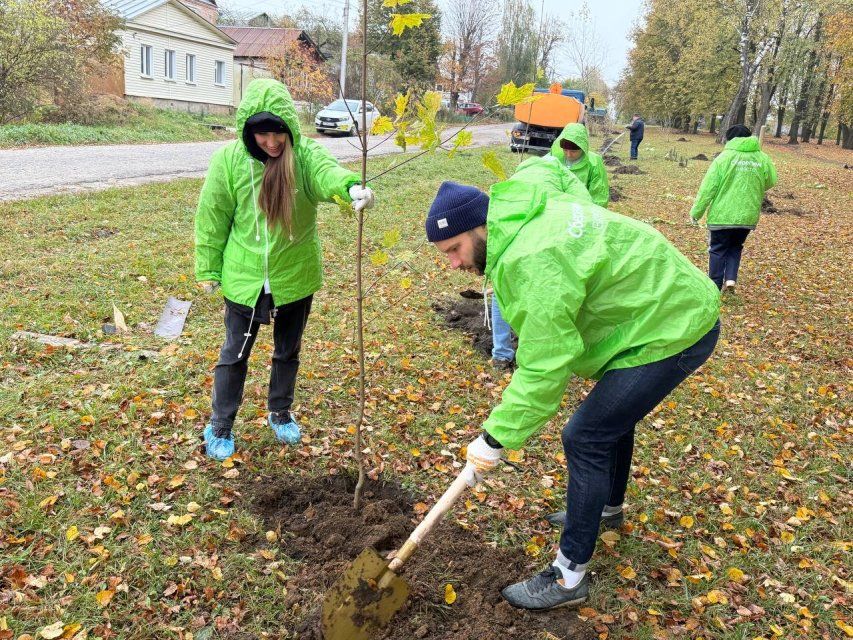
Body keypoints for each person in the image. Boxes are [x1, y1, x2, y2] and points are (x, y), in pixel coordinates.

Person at [424, 160, 720, 611]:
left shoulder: (531, 260)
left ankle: (567, 578)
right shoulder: (523, 205)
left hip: (673, 325)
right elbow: (554, 170)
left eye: (455, 248)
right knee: (610, 422)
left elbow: (544, 364)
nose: (454, 263)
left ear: (481, 227)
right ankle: (607, 509)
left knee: (585, 436)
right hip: (652, 309)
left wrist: (495, 437)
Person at [195, 78, 374, 460]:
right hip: (244, 278)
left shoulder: (304, 155)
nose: (272, 142)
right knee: (234, 354)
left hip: (294, 275)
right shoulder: (228, 161)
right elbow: (212, 216)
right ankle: (220, 424)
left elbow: (327, 173)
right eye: (263, 134)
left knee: (287, 351)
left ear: (290, 128)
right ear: (249, 131)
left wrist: (349, 188)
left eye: (279, 133)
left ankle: (280, 411)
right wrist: (208, 268)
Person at [488, 156, 594, 369]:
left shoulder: (517, 177)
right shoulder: (564, 175)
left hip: (514, 235)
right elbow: (586, 209)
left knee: (502, 290)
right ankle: (545, 352)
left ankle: (501, 354)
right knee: (547, 294)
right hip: (550, 239)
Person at [690, 124, 777, 292]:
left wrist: (696, 212)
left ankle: (714, 285)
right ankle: (730, 279)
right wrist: (755, 185)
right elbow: (771, 180)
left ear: (730, 139)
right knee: (735, 247)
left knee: (718, 249)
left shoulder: (723, 158)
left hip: (722, 214)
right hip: (747, 215)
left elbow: (708, 189)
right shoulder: (762, 157)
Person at [549, 122, 609, 207]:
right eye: (565, 150)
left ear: (583, 147)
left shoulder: (594, 162)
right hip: (556, 207)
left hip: (581, 208)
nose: (568, 155)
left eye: (573, 151)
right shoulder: (554, 158)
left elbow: (599, 194)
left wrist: (593, 212)